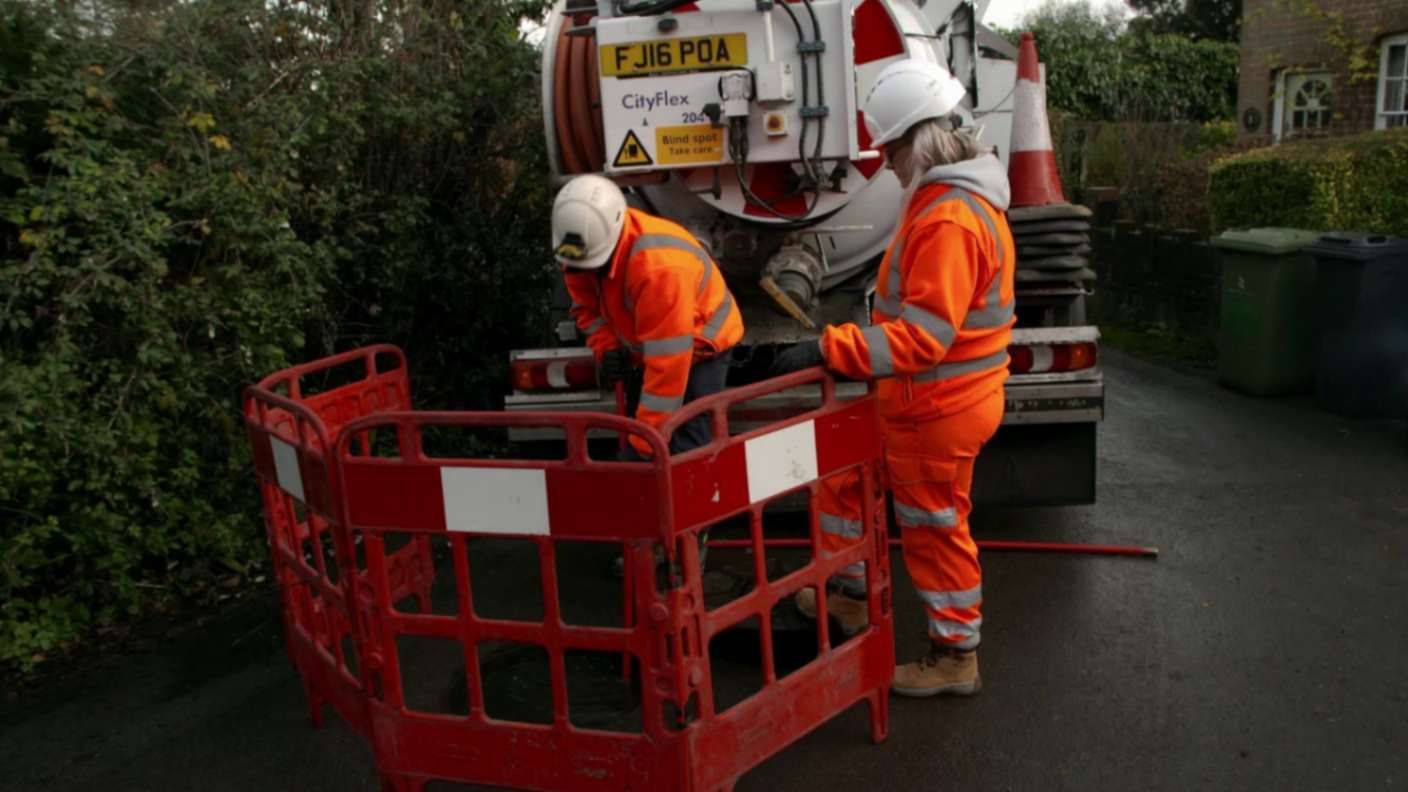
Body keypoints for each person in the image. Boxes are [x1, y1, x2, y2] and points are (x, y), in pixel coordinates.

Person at [772, 59, 1015, 698]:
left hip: (937, 406)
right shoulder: (949, 202)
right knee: (846, 481)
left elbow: (924, 338)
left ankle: (953, 657)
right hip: (925, 400)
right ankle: (850, 594)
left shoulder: (950, 219)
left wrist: (833, 350)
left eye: (892, 146)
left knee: (934, 531)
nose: (888, 161)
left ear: (923, 139)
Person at [552, 174, 744, 457]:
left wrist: (644, 445)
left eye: (593, 265)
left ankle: (693, 495)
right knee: (642, 432)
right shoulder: (579, 251)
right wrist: (607, 347)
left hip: (700, 344)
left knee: (687, 446)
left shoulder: (659, 268)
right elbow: (586, 310)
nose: (585, 272)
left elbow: (668, 364)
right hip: (652, 346)